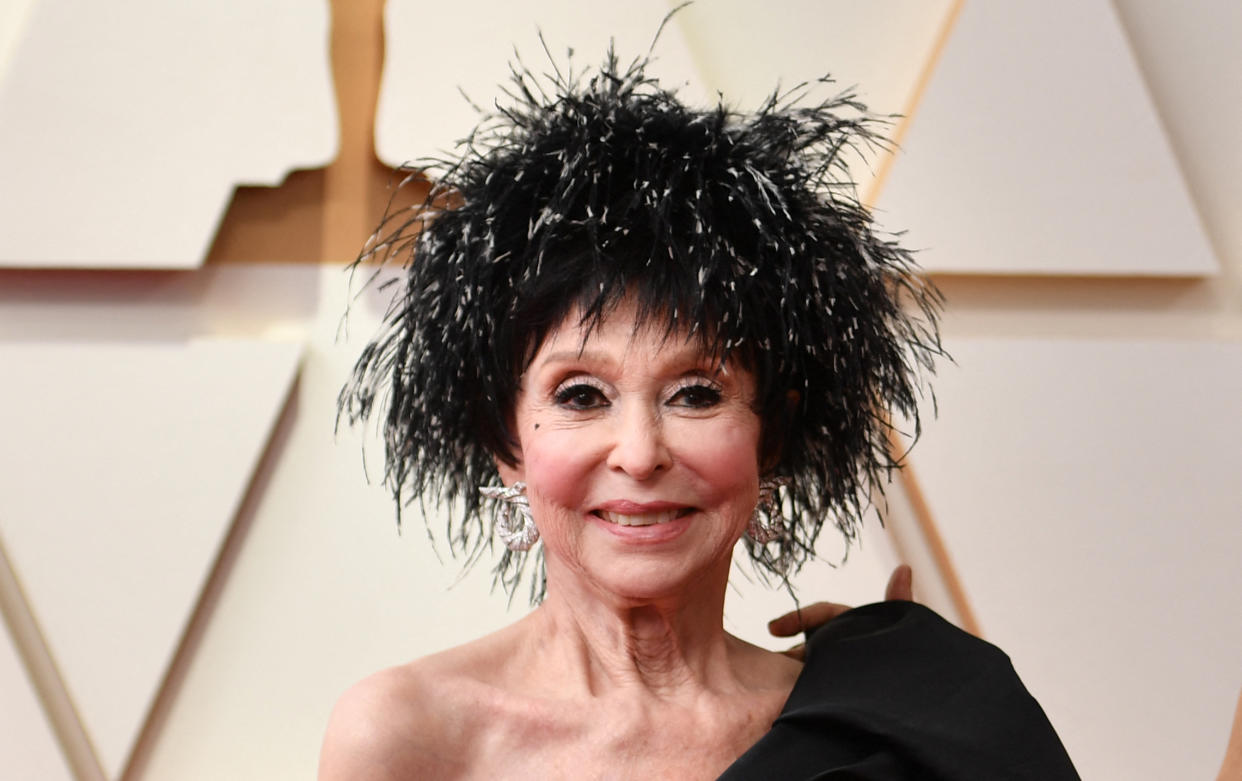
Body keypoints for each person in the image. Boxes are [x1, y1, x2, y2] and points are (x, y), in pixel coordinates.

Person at [321, 39, 1078, 780]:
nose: (641, 452)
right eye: (581, 395)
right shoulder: (410, 738)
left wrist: (932, 706)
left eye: (696, 393)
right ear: (504, 438)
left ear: (769, 433)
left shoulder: (880, 722)